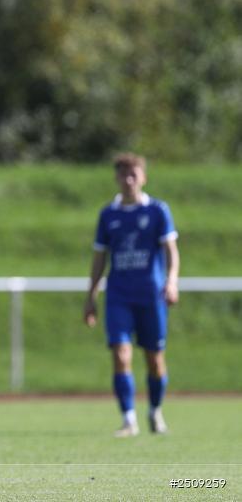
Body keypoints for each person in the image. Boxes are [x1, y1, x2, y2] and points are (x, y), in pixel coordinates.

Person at [84, 153, 179, 437]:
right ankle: (128, 419)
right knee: (121, 354)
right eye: (123, 174)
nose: (128, 180)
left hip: (151, 296)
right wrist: (91, 295)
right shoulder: (108, 215)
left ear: (143, 177)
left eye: (133, 174)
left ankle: (154, 410)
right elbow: (100, 258)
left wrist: (171, 282)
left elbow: (171, 253)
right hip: (119, 296)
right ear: (116, 178)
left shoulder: (158, 211)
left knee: (154, 359)